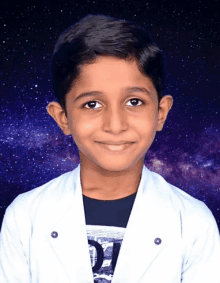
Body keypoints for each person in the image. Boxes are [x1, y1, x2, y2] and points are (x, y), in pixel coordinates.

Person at [0, 14, 219, 283]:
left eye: (134, 102)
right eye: (92, 104)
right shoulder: (24, 217)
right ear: (63, 118)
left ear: (160, 113)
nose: (115, 125)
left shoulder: (194, 223)